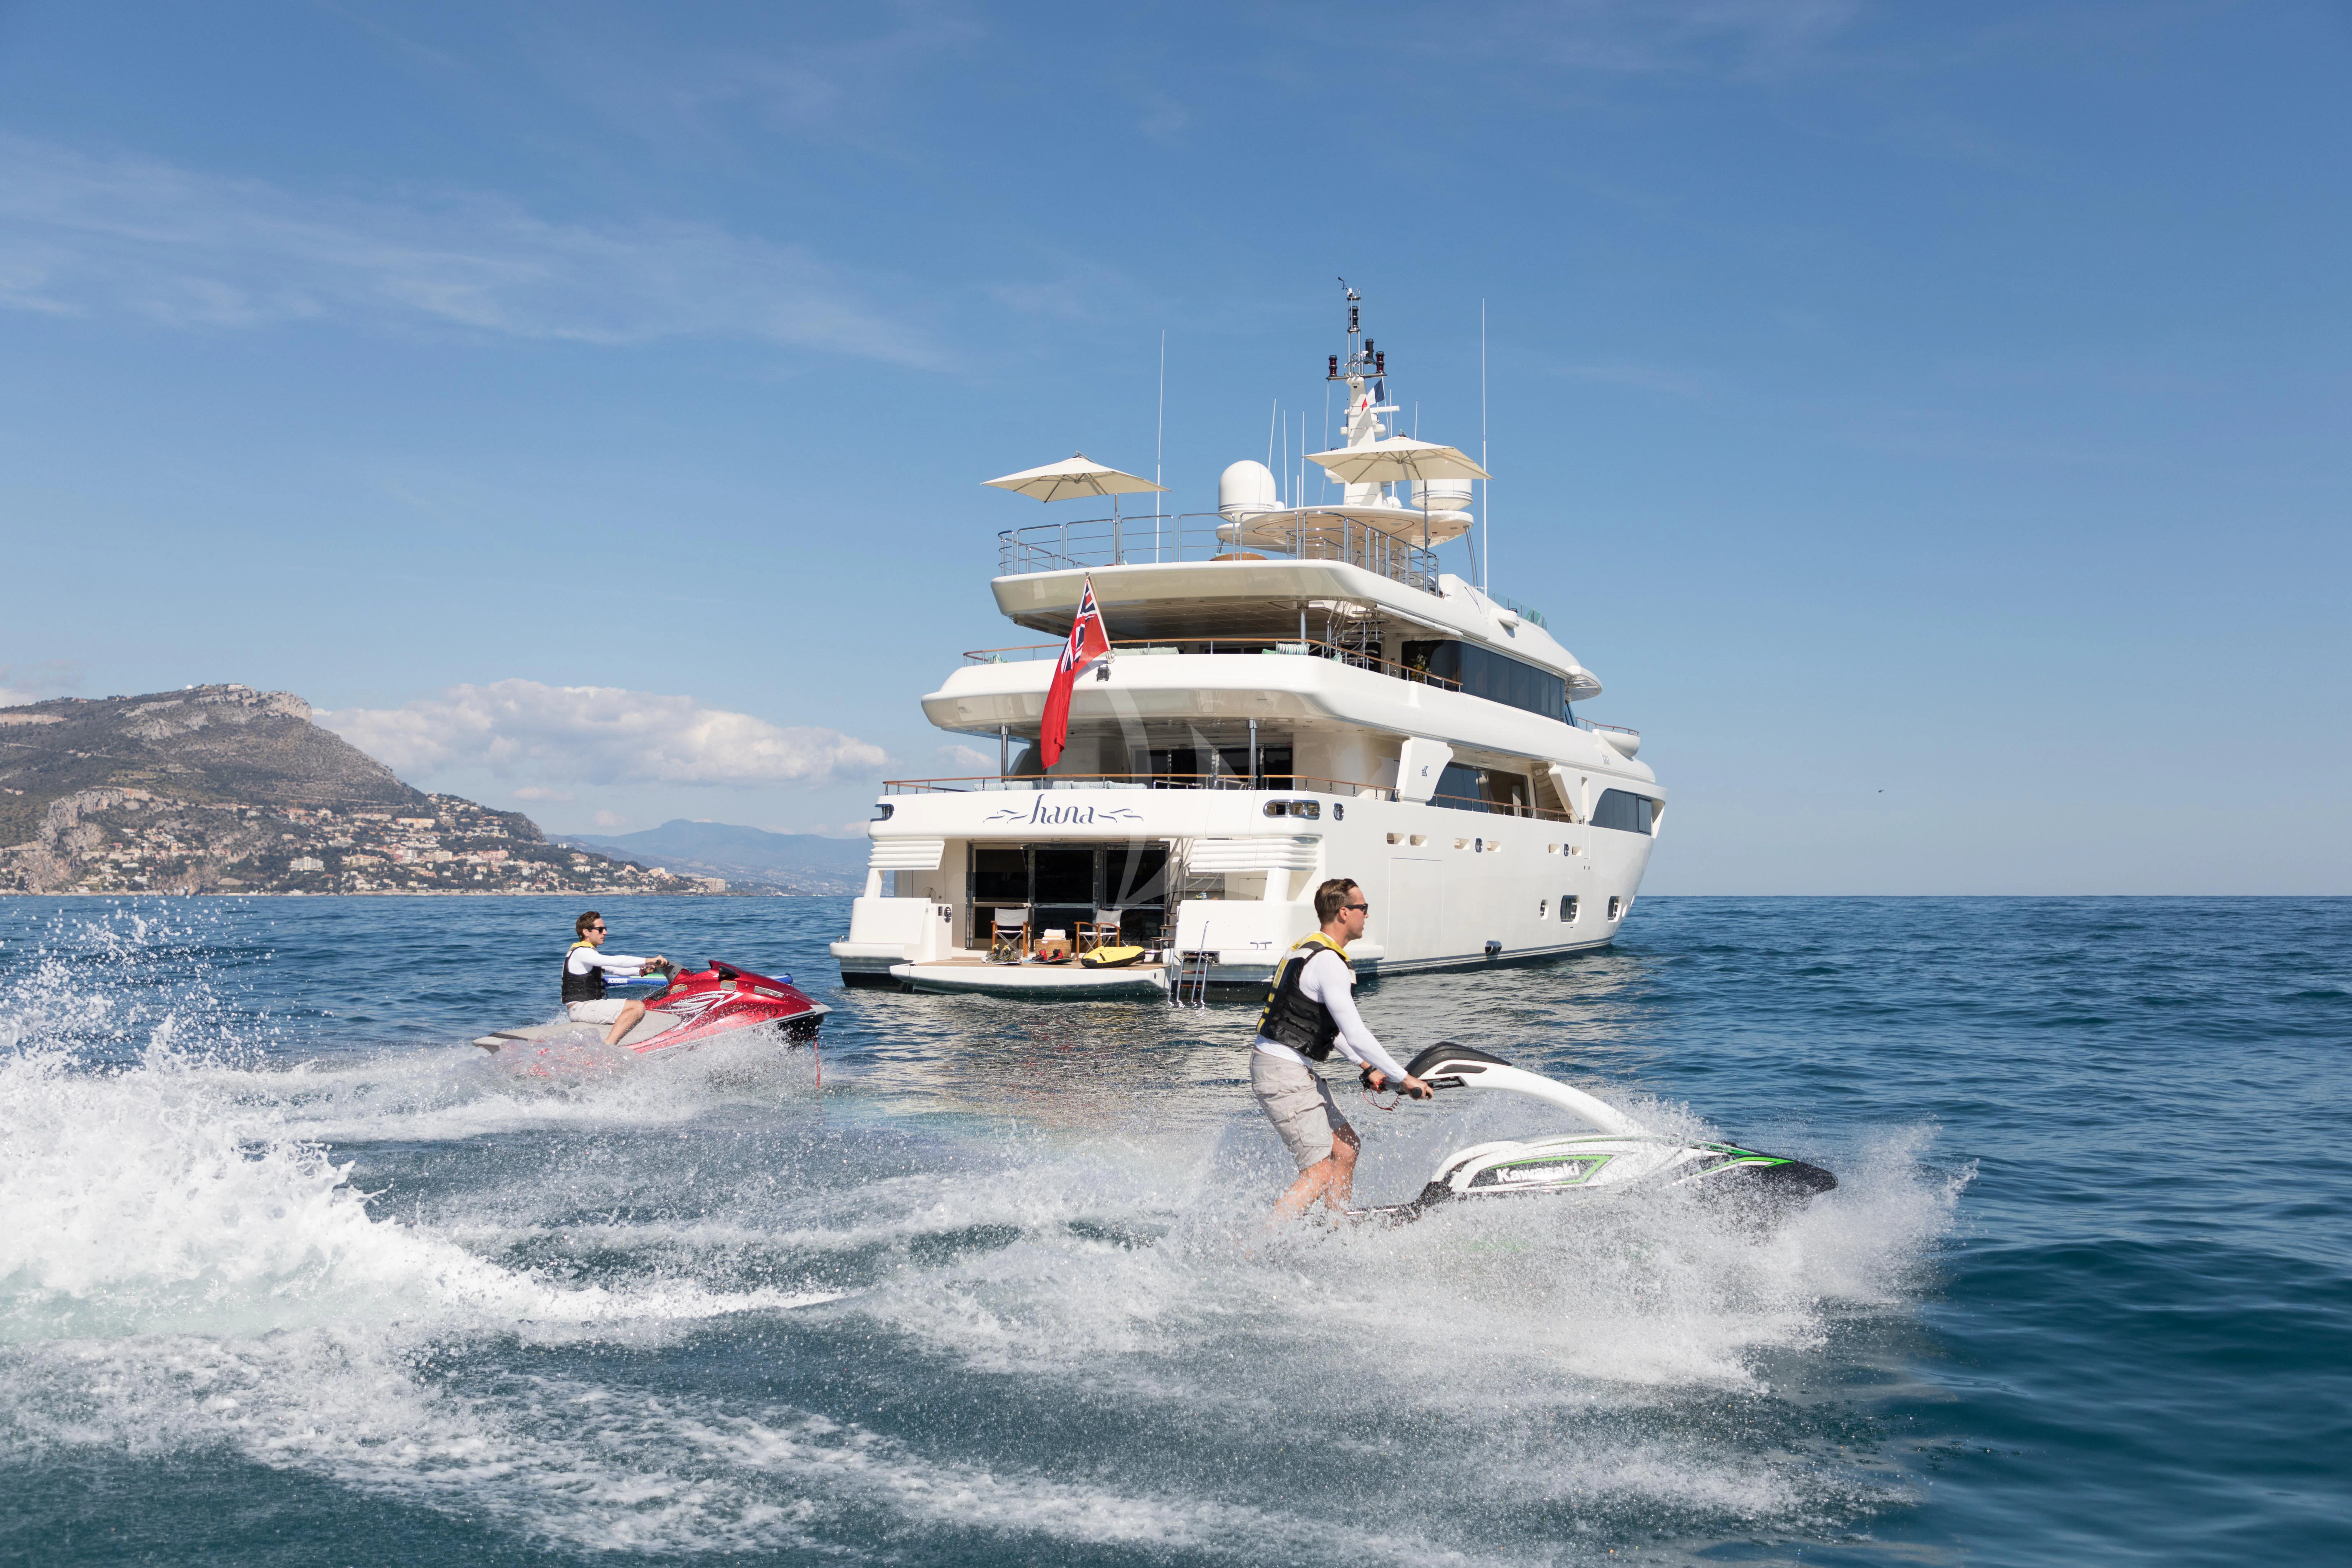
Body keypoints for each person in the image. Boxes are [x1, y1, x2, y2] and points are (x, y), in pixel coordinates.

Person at [1250, 877, 1431, 1220]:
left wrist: (1367, 1067)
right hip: (1282, 1069)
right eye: (1363, 908)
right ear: (1344, 913)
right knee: (1319, 1172)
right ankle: (1253, 1249)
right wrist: (1404, 1078)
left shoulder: (1308, 948)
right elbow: (1357, 1032)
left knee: (1346, 1149)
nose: (1367, 915)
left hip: (1289, 1066)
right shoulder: (1329, 962)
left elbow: (1324, 1026)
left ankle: (1336, 1234)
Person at [562, 911, 668, 1046]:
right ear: (586, 932)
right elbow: (615, 961)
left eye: (605, 929)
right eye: (600, 930)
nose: (605, 933)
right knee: (638, 1007)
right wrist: (649, 960)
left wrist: (643, 971)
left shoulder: (588, 953)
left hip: (585, 1008)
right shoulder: (582, 952)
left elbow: (615, 970)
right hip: (582, 1009)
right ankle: (609, 1045)